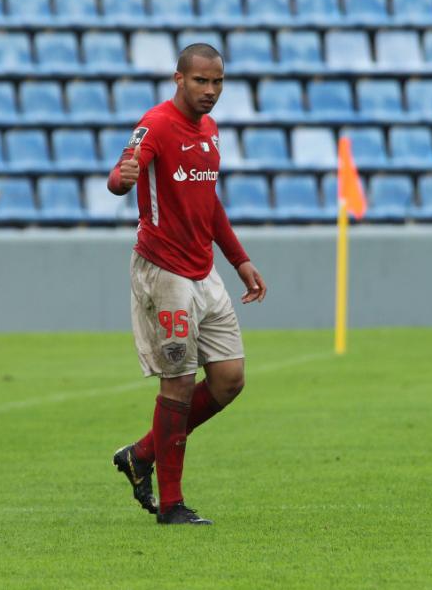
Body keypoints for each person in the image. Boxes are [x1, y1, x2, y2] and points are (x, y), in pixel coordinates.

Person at [107, 44, 267, 525]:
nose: (211, 91)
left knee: (229, 379)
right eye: (201, 81)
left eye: (218, 82)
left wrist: (239, 260)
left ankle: (141, 453)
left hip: (204, 270)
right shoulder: (154, 125)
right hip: (165, 272)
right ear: (179, 79)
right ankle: (171, 505)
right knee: (176, 383)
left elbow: (209, 203)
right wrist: (122, 177)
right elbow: (120, 176)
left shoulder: (211, 131)